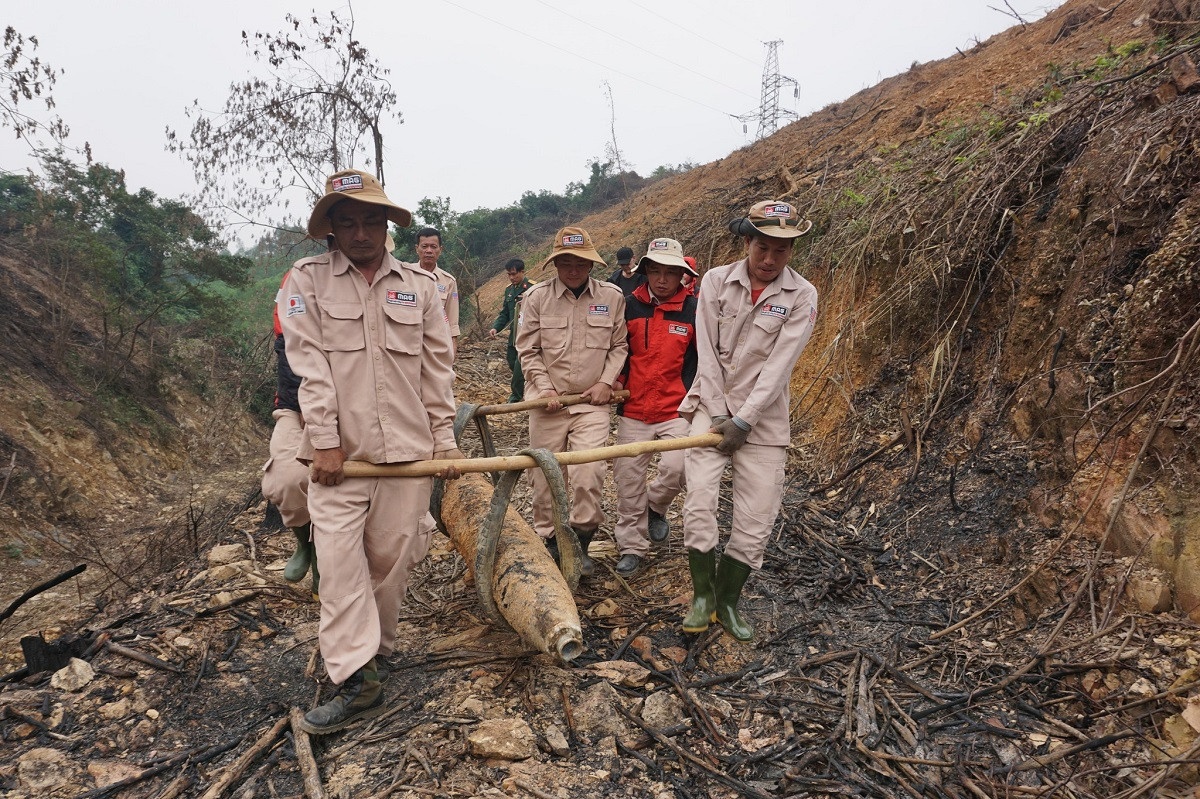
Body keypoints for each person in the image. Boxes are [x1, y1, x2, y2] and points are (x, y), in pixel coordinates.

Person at [280, 169, 464, 734]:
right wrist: (327, 441)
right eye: (348, 221)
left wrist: (445, 441)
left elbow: (437, 372)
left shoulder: (422, 287)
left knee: (390, 564)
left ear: (387, 226)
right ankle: (356, 681)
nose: (360, 232)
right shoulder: (305, 281)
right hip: (339, 462)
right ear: (331, 228)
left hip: (408, 455)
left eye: (371, 221)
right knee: (338, 566)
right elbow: (307, 365)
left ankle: (375, 654)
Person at [679, 200, 817, 641]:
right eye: (763, 247)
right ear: (747, 242)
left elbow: (780, 365)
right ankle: (702, 595)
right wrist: (721, 415)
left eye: (781, 250)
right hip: (711, 407)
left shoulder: (802, 295)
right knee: (699, 499)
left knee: (757, 513)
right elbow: (706, 353)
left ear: (792, 250)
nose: (770, 259)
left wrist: (745, 420)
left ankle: (728, 601)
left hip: (764, 419)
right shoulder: (716, 281)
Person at [516, 226, 628, 577]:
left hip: (590, 403)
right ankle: (549, 542)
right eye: (565, 262)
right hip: (546, 403)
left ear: (591, 264)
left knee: (589, 472)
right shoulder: (536, 298)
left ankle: (581, 541)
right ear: (555, 264)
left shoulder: (612, 297)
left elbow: (619, 346)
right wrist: (545, 388)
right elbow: (528, 349)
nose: (573, 269)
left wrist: (606, 382)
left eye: (580, 262)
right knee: (545, 475)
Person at [611, 238, 698, 577]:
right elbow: (618, 350)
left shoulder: (693, 310)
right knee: (628, 478)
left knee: (679, 467)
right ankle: (632, 546)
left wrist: (694, 397)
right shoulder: (629, 306)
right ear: (645, 271)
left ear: (682, 276)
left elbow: (701, 360)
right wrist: (616, 380)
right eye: (656, 272)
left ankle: (656, 506)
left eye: (670, 273)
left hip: (675, 408)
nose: (662, 280)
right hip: (634, 409)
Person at [262, 269, 318, 597]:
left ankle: (327, 553)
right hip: (295, 403)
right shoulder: (296, 279)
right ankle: (304, 541)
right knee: (284, 477)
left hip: (352, 405)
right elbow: (286, 350)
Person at [487, 258, 534, 403]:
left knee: (519, 368)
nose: (512, 277)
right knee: (511, 361)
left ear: (522, 272)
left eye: (514, 274)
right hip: (514, 336)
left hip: (527, 336)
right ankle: (530, 384)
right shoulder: (509, 290)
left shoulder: (532, 288)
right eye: (509, 275)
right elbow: (505, 314)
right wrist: (496, 327)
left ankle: (516, 396)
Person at [414, 227, 460, 356]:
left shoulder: (449, 281)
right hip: (408, 343)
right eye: (424, 246)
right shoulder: (405, 275)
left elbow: (452, 319)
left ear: (440, 249)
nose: (429, 251)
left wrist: (453, 345)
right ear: (417, 248)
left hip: (436, 345)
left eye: (433, 247)